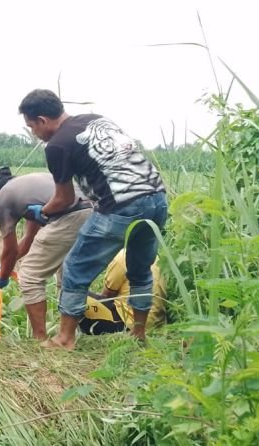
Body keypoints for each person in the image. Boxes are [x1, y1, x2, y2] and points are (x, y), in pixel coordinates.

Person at [19, 89, 167, 348]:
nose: (34, 133)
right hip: (157, 199)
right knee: (140, 270)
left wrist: (43, 212)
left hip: (121, 205)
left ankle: (65, 339)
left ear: (42, 120)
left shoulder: (57, 145)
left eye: (32, 127)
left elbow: (64, 198)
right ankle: (139, 333)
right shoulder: (97, 119)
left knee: (75, 268)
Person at [0, 166, 92, 340]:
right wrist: (4, 267)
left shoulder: (3, 198)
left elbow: (10, 249)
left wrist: (2, 277)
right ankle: (70, 333)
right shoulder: (28, 191)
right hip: (92, 211)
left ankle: (40, 338)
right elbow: (28, 239)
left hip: (69, 214)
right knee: (68, 275)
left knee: (30, 276)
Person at [80, 250, 166, 335]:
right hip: (156, 321)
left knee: (75, 293)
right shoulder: (153, 255)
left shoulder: (122, 257)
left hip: (129, 323)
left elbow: (107, 296)